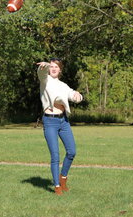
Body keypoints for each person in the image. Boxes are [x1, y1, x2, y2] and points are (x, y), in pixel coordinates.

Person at [37, 58, 82, 195]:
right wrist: (43, 67)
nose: (54, 68)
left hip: (64, 121)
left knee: (71, 152)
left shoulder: (63, 85)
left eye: (56, 66)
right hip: (50, 121)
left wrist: (77, 96)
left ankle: (63, 178)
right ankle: (57, 186)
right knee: (55, 156)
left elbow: (71, 94)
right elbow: (41, 74)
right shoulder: (45, 81)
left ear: (60, 69)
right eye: (51, 67)